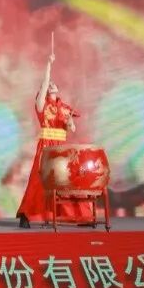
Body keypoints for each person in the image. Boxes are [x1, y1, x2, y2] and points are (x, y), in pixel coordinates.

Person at [16, 52, 87, 228]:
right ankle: (26, 214)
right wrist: (49, 63)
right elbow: (45, 81)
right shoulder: (42, 105)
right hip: (46, 146)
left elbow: (72, 128)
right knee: (38, 180)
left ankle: (79, 216)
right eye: (48, 85)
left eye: (53, 84)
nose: (51, 84)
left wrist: (70, 124)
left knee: (66, 181)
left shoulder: (64, 108)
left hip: (60, 148)